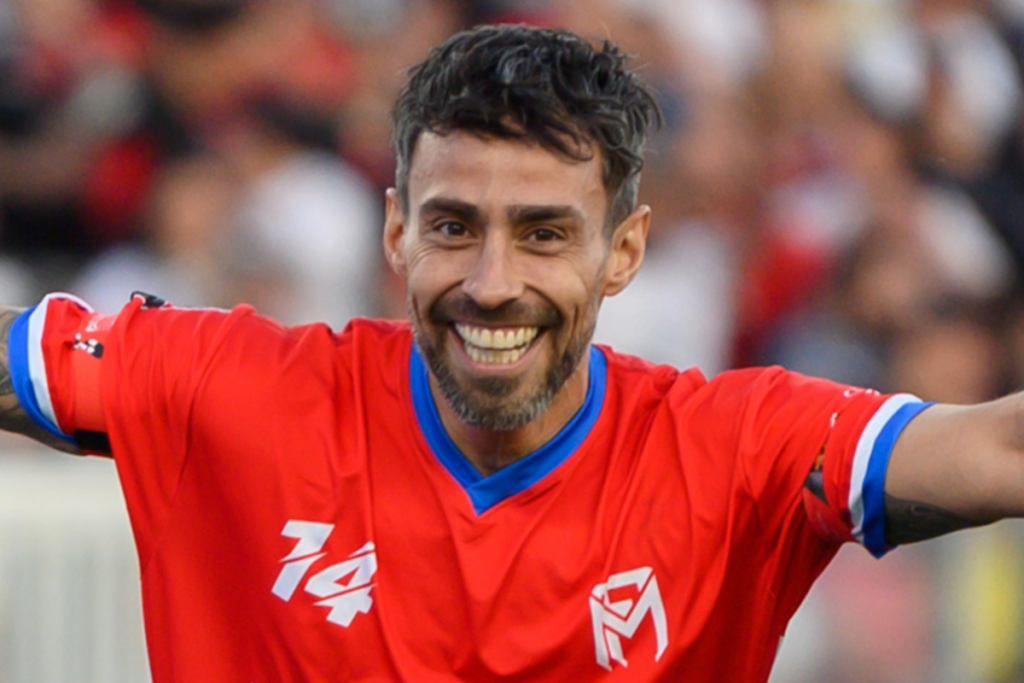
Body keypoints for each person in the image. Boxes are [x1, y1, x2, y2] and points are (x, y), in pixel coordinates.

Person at [0, 23, 1019, 682]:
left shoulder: (735, 449)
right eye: (453, 226)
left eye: (542, 232)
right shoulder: (231, 389)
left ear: (623, 249)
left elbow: (997, 450)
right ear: (395, 229)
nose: (492, 280)